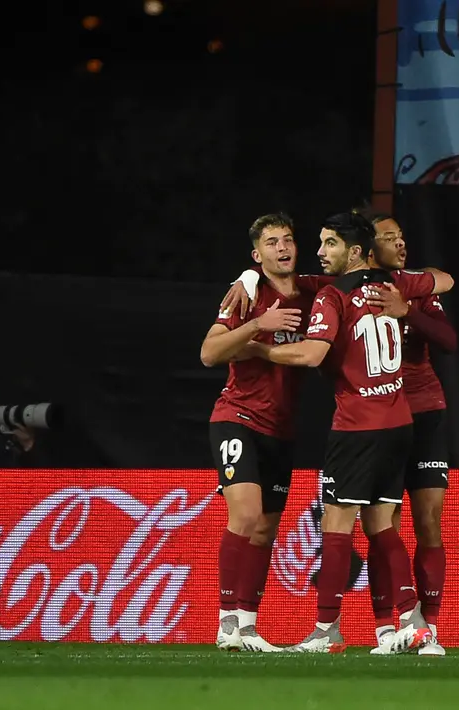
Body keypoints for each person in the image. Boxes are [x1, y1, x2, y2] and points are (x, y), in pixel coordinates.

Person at [251, 211, 454, 653]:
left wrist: (257, 349)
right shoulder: (393, 285)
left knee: (337, 527)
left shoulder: (332, 296)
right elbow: (444, 280)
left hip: (357, 426)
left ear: (355, 250)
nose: (320, 252)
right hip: (399, 423)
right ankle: (414, 623)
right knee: (382, 525)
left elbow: (310, 354)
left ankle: (327, 631)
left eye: (330, 244)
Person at [200, 213, 319, 652]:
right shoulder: (246, 295)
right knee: (246, 515)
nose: (282, 247)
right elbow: (209, 352)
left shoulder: (314, 292)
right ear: (257, 254)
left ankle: (246, 627)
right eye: (271, 243)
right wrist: (255, 325)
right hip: (237, 417)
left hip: (282, 428)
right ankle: (226, 620)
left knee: (266, 529)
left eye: (288, 239)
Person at [359, 210, 456, 656]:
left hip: (426, 410)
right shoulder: (353, 289)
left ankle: (429, 628)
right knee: (383, 522)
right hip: (379, 415)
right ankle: (387, 627)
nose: (400, 243)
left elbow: (449, 339)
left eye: (402, 236)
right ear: (367, 247)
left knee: (428, 521)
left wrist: (406, 313)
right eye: (389, 237)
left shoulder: (413, 286)